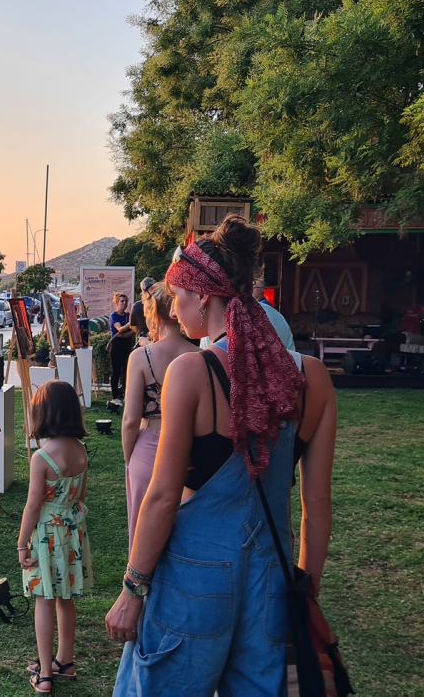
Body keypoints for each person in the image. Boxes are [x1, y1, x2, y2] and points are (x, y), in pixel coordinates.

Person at [105, 217, 337, 694]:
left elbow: (164, 495)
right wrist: (304, 591)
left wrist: (132, 588)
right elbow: (317, 507)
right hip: (270, 582)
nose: (175, 305)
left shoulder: (191, 373)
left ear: (204, 298)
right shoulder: (313, 378)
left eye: (179, 294)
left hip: (194, 579)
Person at [18, 380, 93, 693]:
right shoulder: (80, 451)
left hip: (47, 537)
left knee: (44, 601)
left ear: (43, 415)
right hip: (73, 536)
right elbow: (80, 496)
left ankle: (45, 674)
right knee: (66, 599)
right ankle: (65, 660)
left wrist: (22, 543)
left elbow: (34, 505)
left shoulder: (42, 458)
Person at [120, 282, 198, 549]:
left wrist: (129, 457)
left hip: (148, 447)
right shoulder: (200, 356)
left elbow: (130, 420)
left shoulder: (141, 356)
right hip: (188, 449)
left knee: (143, 535)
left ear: (152, 314)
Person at [107, 292, 134, 405]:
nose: (124, 303)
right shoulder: (114, 315)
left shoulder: (128, 315)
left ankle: (125, 394)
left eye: (125, 301)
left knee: (126, 370)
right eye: (121, 301)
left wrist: (126, 334)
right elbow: (120, 329)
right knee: (116, 370)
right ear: (117, 303)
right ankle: (115, 396)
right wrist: (131, 323)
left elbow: (134, 331)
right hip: (116, 345)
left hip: (127, 344)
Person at [254, 278, 295, 350]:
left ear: (262, 290)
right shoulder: (279, 316)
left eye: (254, 287)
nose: (250, 290)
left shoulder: (261, 308)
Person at [128, 278, 155, 347]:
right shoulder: (162, 303)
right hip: (159, 340)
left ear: (143, 290)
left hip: (142, 340)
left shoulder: (136, 306)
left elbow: (133, 326)